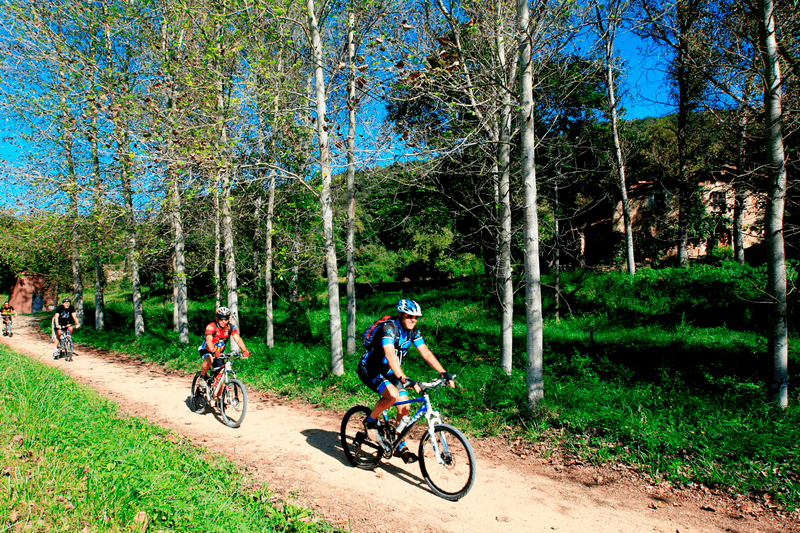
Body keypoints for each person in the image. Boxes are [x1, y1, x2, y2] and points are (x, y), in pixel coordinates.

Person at [358, 299, 454, 464]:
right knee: (392, 396)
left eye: (416, 317)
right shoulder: (389, 328)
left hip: (390, 372)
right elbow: (389, 354)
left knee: (405, 405)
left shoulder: (413, 332)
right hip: (371, 369)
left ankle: (398, 442)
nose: (413, 320)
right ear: (401, 315)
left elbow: (426, 353)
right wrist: (403, 377)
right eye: (410, 316)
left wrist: (443, 372)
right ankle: (370, 421)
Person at [198, 307, 250, 391]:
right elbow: (208, 340)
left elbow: (238, 339)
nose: (223, 321)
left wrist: (244, 350)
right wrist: (213, 351)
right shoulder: (211, 326)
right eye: (221, 319)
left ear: (229, 319)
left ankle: (219, 399)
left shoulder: (230, 327)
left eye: (225, 319)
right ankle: (202, 376)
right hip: (207, 350)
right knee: (209, 360)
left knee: (220, 377)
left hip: (219, 353)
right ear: (217, 318)